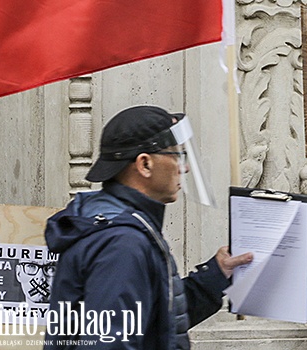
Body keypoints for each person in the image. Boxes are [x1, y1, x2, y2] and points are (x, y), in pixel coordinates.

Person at [44, 106, 253, 349]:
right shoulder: (121, 243)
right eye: (177, 156)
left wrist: (216, 274)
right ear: (145, 164)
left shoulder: (119, 226)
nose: (184, 168)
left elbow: (159, 322)